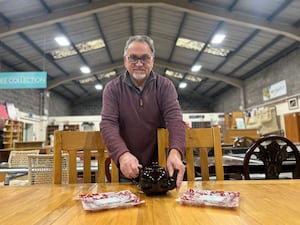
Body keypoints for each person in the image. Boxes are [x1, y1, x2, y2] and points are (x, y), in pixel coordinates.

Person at [100, 35, 186, 190]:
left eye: (145, 58)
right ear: (125, 60)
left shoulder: (165, 86)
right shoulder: (112, 88)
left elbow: (175, 120)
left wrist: (175, 152)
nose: (139, 63)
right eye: (133, 58)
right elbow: (108, 124)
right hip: (127, 170)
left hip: (160, 170)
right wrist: (122, 155)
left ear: (152, 60)